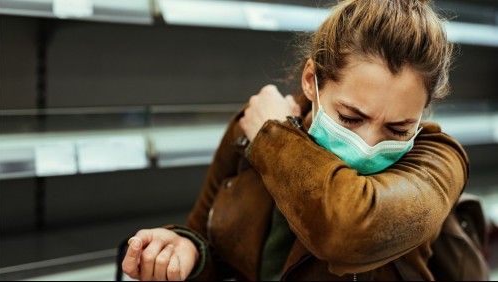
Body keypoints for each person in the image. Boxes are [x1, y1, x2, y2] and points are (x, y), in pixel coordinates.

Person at [122, 0, 469, 280]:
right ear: (310, 80)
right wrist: (188, 254)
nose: (368, 143)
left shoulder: (439, 161)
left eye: (397, 129)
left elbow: (347, 234)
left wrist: (273, 138)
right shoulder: (251, 129)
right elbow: (207, 238)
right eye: (350, 117)